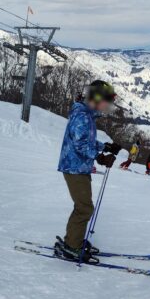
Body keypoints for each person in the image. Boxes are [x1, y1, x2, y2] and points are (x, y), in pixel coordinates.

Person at [53, 80, 122, 263]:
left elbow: (86, 141)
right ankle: (71, 247)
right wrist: (99, 157)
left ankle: (73, 240)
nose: (106, 106)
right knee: (84, 208)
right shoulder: (82, 116)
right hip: (74, 167)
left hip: (79, 167)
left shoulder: (87, 115)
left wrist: (104, 146)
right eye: (105, 102)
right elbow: (80, 144)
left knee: (83, 206)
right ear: (96, 98)